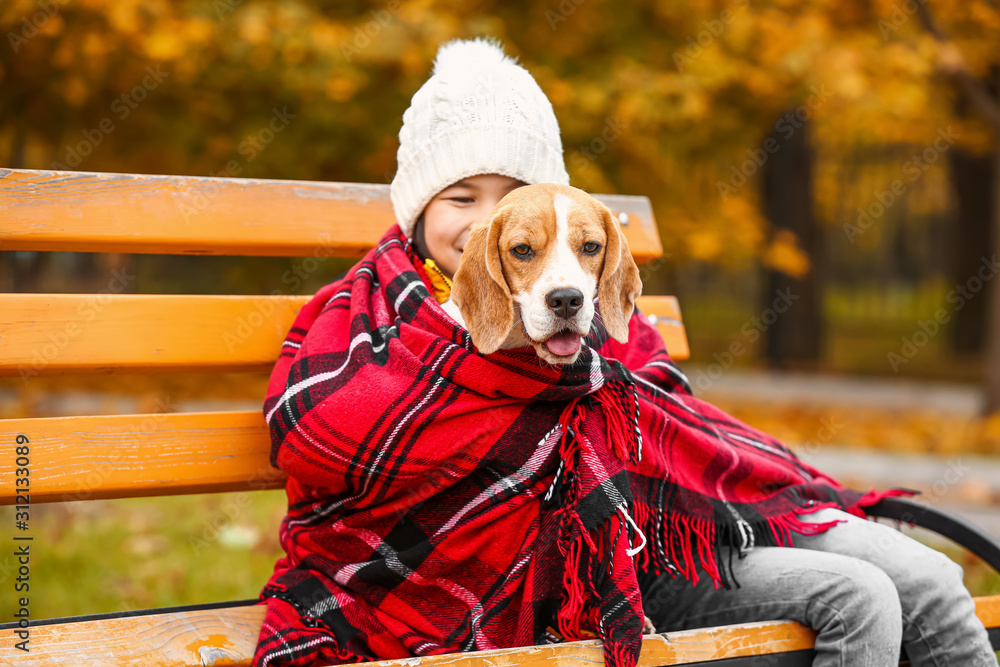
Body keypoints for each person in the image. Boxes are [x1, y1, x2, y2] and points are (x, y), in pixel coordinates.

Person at [252, 37, 997, 667]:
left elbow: (676, 441)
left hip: (652, 544)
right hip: (509, 590)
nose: (487, 221)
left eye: (514, 193)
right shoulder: (366, 318)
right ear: (418, 208)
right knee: (860, 593)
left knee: (924, 577)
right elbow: (312, 433)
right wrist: (507, 374)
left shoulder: (605, 318)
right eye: (461, 196)